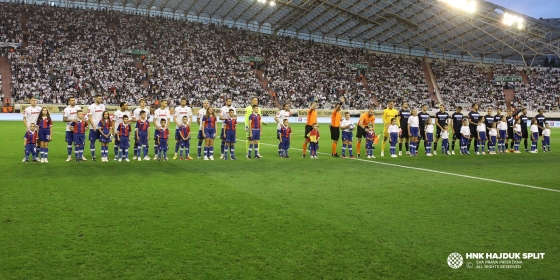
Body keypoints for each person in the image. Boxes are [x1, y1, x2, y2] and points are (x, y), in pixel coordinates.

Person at [87, 94, 106, 161]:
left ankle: (103, 156)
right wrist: (93, 126)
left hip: (101, 127)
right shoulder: (91, 107)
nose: (100, 100)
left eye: (101, 99)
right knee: (92, 141)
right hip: (94, 127)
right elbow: (90, 117)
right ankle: (93, 156)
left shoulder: (103, 106)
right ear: (95, 99)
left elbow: (104, 116)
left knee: (103, 141)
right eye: (99, 99)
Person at [63, 97, 82, 161]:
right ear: (69, 102)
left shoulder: (78, 108)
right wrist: (72, 120)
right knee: (69, 143)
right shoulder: (66, 109)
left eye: (74, 100)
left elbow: (81, 116)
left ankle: (81, 155)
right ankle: (69, 156)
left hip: (78, 128)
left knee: (79, 143)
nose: (73, 101)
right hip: (69, 128)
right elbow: (64, 119)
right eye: (72, 100)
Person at [23, 96, 41, 161]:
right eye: (32, 100)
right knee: (27, 142)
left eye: (35, 100)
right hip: (29, 129)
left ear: (36, 101)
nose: (34, 101)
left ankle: (36, 156)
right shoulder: (27, 109)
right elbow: (24, 119)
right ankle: (26, 156)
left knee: (37, 142)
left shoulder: (40, 109)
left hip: (37, 129)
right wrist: (27, 127)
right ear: (30, 101)